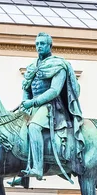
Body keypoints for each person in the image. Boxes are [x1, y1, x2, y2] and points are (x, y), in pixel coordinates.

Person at [19, 32, 83, 180]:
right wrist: (25, 102)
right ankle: (23, 174)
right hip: (32, 106)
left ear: (49, 46)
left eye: (42, 44)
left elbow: (54, 91)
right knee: (15, 130)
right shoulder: (31, 67)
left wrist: (33, 102)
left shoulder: (58, 65)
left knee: (33, 127)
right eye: (37, 44)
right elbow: (27, 89)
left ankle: (38, 168)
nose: (39, 46)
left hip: (51, 108)